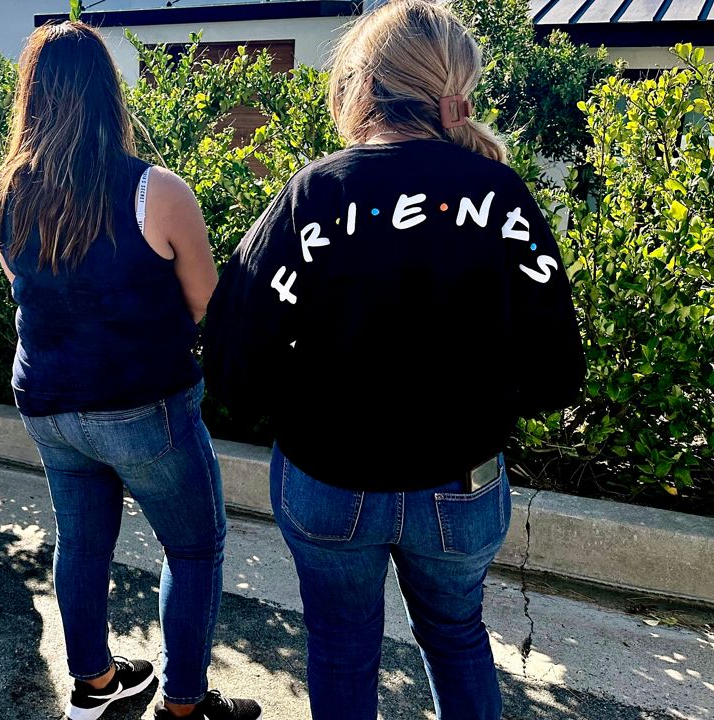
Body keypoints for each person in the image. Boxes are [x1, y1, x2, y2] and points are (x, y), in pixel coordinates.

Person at [202, 2, 586, 718]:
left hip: (327, 478)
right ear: (454, 87)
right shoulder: (501, 195)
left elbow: (235, 358)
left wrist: (297, 400)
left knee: (342, 644)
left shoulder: (316, 192)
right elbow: (556, 368)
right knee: (457, 636)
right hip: (461, 482)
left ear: (362, 83)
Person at [0, 22, 262, 720]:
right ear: (108, 93)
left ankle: (95, 683)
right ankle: (184, 706)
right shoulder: (156, 192)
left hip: (47, 400)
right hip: (144, 405)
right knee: (193, 548)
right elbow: (205, 304)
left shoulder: (6, 191)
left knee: (81, 543)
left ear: (31, 96)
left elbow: (26, 285)